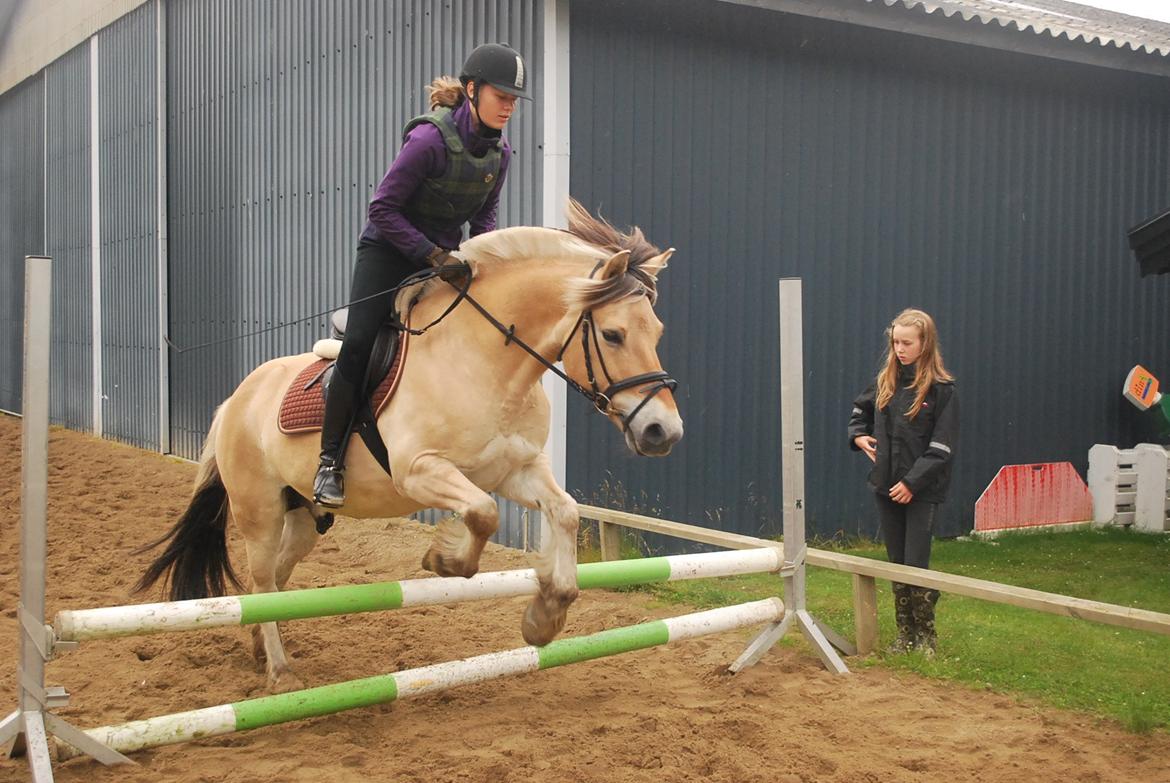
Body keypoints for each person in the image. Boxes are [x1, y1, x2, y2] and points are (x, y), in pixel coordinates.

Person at [313, 43, 530, 508]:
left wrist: (480, 261)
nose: (509, 107)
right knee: (360, 343)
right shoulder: (428, 141)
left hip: (444, 259)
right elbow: (382, 209)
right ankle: (329, 461)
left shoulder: (501, 153)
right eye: (501, 96)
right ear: (471, 90)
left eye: (514, 100)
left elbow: (485, 218)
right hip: (388, 253)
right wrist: (431, 255)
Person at [848, 308, 959, 656]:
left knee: (916, 564)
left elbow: (942, 449)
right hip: (885, 487)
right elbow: (859, 411)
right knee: (896, 563)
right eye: (896, 342)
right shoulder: (886, 381)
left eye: (907, 343)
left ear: (925, 343)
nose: (900, 349)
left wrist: (911, 483)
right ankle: (905, 636)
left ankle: (926, 637)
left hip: (922, 492)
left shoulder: (942, 390)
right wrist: (858, 437)